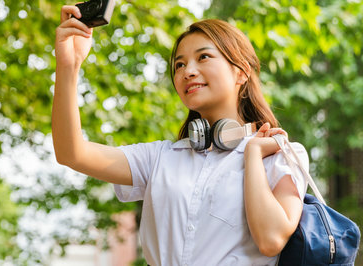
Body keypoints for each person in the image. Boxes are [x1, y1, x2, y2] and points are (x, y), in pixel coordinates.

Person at [53, 4, 309, 266]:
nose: (188, 71)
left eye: (204, 57)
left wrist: (253, 154)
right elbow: (71, 153)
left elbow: (271, 240)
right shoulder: (160, 158)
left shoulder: (281, 154)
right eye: (179, 64)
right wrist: (68, 66)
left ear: (241, 72)